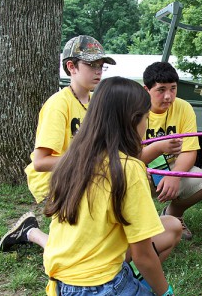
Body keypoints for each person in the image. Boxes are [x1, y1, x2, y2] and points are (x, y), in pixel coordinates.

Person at [43, 76, 176, 296]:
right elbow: (143, 255)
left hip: (59, 285)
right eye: (145, 118)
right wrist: (166, 292)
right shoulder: (129, 168)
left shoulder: (71, 160)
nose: (146, 125)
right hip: (101, 287)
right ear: (133, 121)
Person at [0, 35, 116, 252]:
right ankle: (30, 232)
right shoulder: (58, 105)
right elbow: (41, 163)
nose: (98, 71)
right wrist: (89, 160)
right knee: (75, 250)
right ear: (71, 67)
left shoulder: (93, 104)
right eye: (91, 65)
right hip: (54, 182)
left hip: (82, 177)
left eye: (101, 65)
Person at [140, 62, 202, 240]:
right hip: (140, 169)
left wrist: (175, 175)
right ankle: (138, 226)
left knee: (200, 180)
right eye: (161, 90)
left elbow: (189, 150)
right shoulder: (134, 110)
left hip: (172, 166)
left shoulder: (184, 107)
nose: (168, 96)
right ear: (146, 89)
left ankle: (173, 215)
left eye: (173, 89)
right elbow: (129, 156)